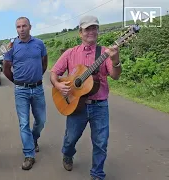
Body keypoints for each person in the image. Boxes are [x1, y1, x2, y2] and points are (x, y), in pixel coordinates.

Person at [50, 15, 122, 180]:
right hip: (75, 104)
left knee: (101, 143)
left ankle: (97, 174)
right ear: (80, 32)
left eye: (94, 28)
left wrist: (115, 60)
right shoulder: (70, 53)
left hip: (100, 105)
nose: (91, 32)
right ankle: (67, 154)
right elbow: (54, 72)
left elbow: (115, 75)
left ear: (98, 31)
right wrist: (58, 85)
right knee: (70, 139)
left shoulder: (105, 53)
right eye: (87, 29)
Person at [3, 16, 48, 170]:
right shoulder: (11, 46)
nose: (21, 29)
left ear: (30, 27)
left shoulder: (39, 44)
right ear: (16, 29)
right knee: (24, 123)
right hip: (21, 90)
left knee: (41, 120)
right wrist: (16, 82)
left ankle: (33, 139)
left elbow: (44, 62)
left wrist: (37, 76)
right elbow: (6, 68)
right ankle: (29, 154)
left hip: (38, 88)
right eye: (18, 27)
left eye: (24, 26)